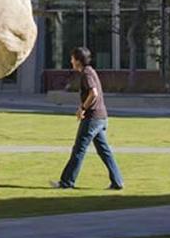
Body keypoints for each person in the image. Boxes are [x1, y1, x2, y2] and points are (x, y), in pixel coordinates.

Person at [51, 46, 123, 190]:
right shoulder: (90, 72)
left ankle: (66, 182)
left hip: (92, 118)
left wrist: (82, 108)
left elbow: (93, 93)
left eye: (72, 58)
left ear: (78, 60)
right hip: (101, 117)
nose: (71, 61)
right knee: (104, 151)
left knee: (79, 149)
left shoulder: (87, 74)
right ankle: (117, 182)